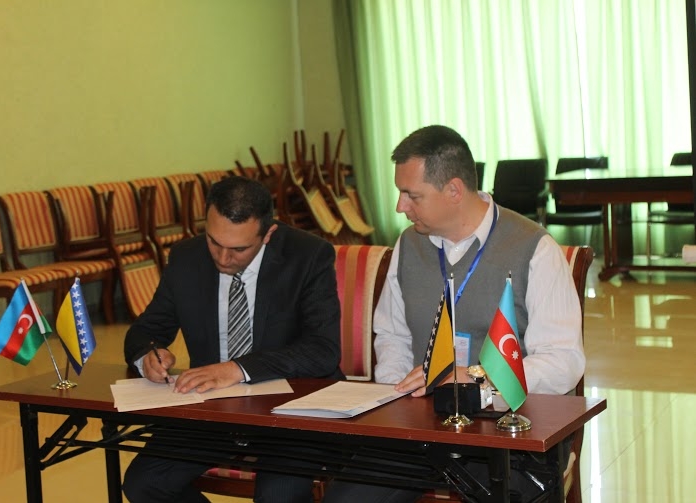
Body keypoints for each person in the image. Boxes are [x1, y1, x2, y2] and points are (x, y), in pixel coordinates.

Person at [321, 125, 585, 503]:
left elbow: (563, 361)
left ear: (454, 191)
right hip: (421, 427)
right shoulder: (409, 244)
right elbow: (392, 335)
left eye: (412, 195)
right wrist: (397, 399)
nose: (400, 207)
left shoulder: (534, 248)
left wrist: (479, 379)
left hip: (508, 430)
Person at [122, 176, 343, 503]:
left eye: (239, 249)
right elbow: (146, 330)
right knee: (144, 483)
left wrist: (238, 369)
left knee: (277, 496)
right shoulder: (187, 257)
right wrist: (148, 356)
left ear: (268, 233)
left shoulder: (308, 256)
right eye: (214, 242)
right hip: (215, 409)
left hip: (292, 407)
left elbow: (323, 350)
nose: (223, 258)